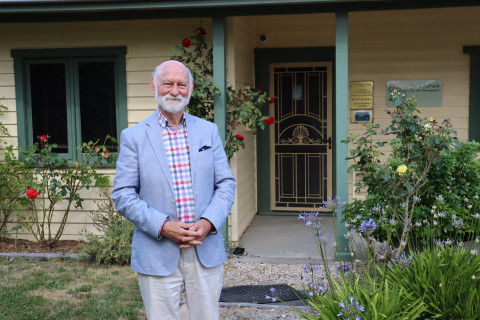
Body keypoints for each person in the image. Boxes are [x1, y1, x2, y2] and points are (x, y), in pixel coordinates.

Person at [112, 60, 236, 320]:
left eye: (181, 84)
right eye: (167, 83)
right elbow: (123, 195)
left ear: (190, 88)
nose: (174, 90)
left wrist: (209, 221)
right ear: (154, 86)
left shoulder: (208, 131)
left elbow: (225, 184)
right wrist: (163, 226)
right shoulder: (133, 137)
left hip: (204, 246)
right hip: (157, 250)